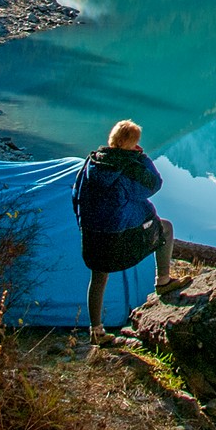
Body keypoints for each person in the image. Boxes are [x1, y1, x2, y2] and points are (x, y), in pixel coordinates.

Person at [72, 119, 185, 345]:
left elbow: (76, 195)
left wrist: (85, 224)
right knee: (165, 229)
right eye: (136, 142)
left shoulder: (92, 163)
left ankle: (96, 331)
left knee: (98, 277)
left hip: (93, 233)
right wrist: (142, 158)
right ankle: (163, 281)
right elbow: (154, 184)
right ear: (130, 144)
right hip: (120, 236)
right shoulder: (128, 167)